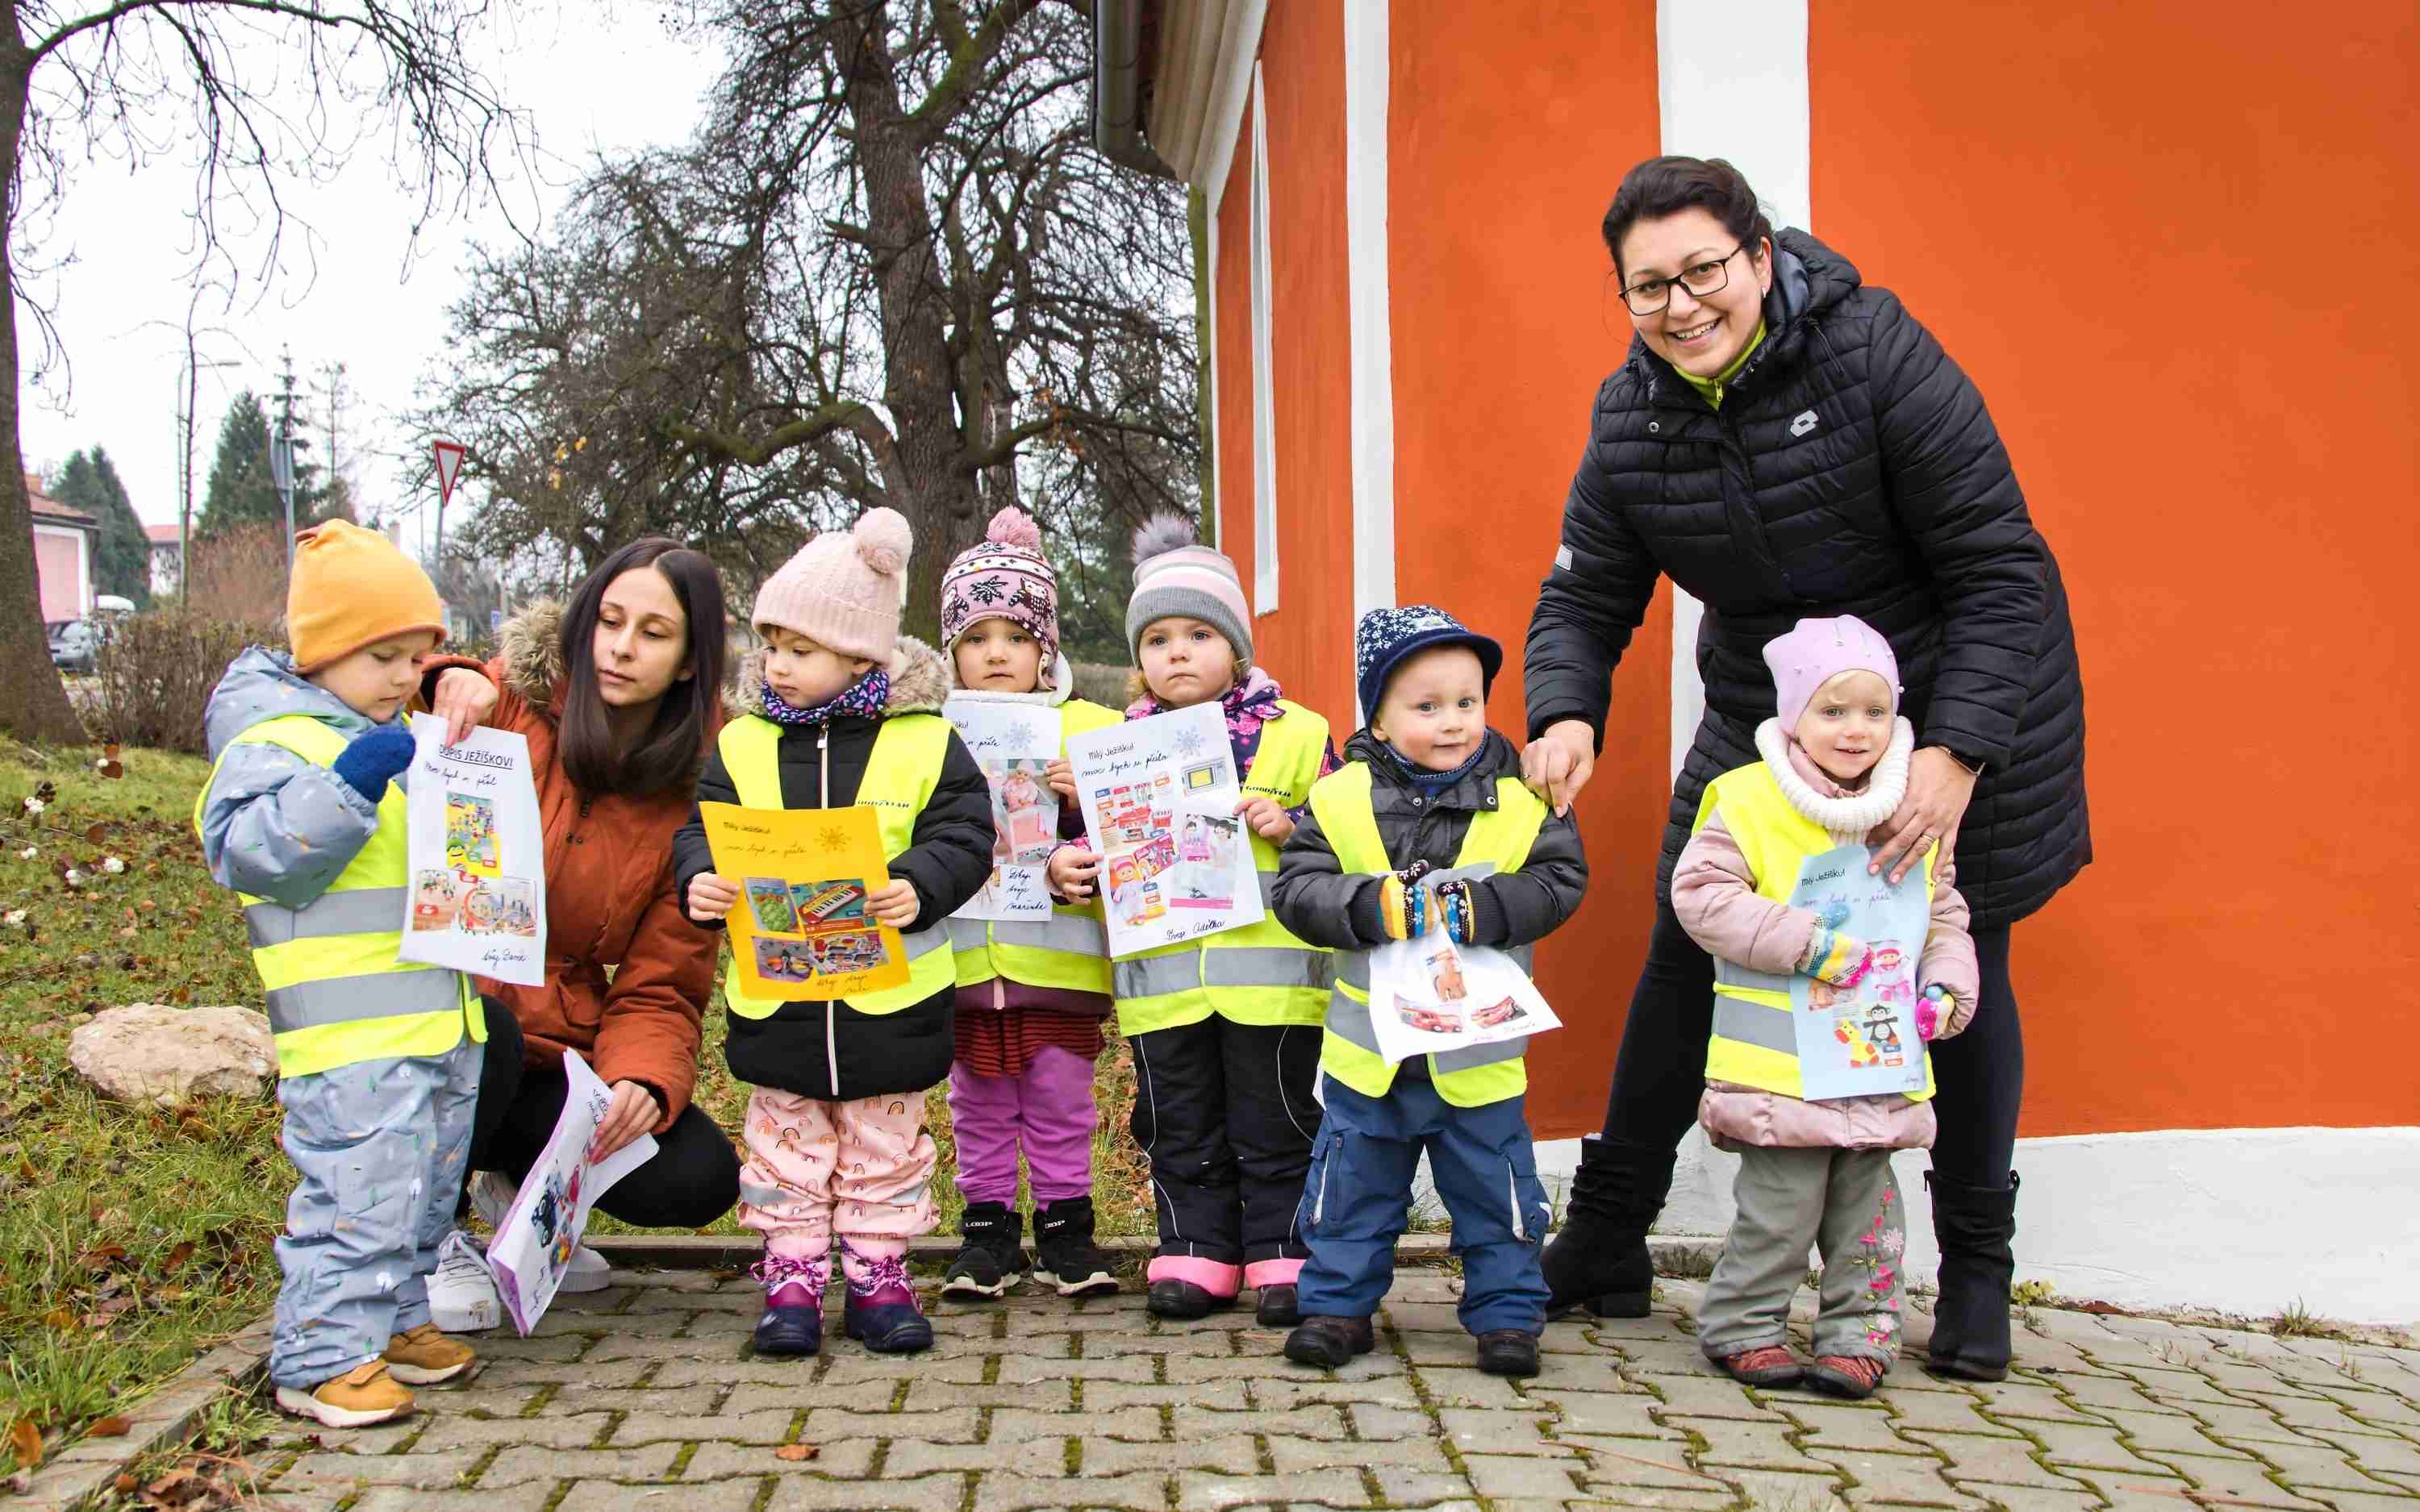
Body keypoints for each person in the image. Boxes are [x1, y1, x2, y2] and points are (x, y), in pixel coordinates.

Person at [1521, 155, 2087, 1381]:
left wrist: (1952, 755)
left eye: (1702, 271)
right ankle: (1611, 1231)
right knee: (1690, 948)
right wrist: (1566, 712)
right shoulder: (1634, 416)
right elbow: (1584, 594)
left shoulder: (1876, 352)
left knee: (1956, 968)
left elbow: (2001, 565)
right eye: (1647, 286)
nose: (1680, 305)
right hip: (1763, 715)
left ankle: (1975, 1270)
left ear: (1761, 258)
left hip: (1944, 697)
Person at [675, 510, 993, 1357]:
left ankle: (880, 1275)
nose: (775, 663)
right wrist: (696, 880)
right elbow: (700, 829)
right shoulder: (741, 743)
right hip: (779, 997)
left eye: (799, 648)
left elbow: (965, 836)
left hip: (892, 1000)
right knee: (785, 1144)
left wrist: (916, 886)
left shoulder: (926, 741)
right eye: (771, 642)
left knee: (885, 1142)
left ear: (860, 656)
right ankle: (792, 1276)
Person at [194, 521, 482, 1427]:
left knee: (421, 1189)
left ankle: (394, 1325)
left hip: (434, 1015)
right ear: (320, 657)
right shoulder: (278, 742)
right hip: (350, 1033)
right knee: (357, 1193)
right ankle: (321, 1357)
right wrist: (353, 784)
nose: (405, 678)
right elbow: (251, 851)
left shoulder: (394, 730)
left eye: (417, 656)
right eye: (383, 657)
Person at [416, 538, 741, 1331]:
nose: (622, 648)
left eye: (654, 633)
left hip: (557, 1043)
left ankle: (514, 1196)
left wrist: (642, 1082)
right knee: (481, 1032)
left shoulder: (700, 790)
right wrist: (438, 685)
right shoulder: (509, 704)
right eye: (610, 621)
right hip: (441, 1019)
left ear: (692, 662)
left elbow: (664, 979)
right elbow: (397, 703)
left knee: (697, 1175)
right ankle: (428, 1236)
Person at [1270, 606, 1588, 1379]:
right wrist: (1363, 907)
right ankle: (1336, 1307)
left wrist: (1487, 909)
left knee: (1496, 1192)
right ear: (1377, 719)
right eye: (1426, 706)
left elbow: (1561, 880)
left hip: (1475, 1055)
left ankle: (1510, 1315)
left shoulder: (1522, 800)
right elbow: (1296, 889)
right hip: (1368, 1057)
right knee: (1351, 1188)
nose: (1453, 722)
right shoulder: (1338, 798)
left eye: (1468, 702)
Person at [1674, 616, 1979, 1397]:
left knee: (1870, 1223)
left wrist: (1947, 990)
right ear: (1793, 717)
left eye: (1874, 712)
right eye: (1833, 711)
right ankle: (1743, 1327)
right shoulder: (1745, 800)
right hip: (1782, 1072)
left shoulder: (1913, 807)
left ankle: (1860, 1340)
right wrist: (1805, 942)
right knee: (1777, 1217)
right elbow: (1702, 898)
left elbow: (1941, 913)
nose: (1855, 730)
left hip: (1877, 1060)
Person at [1047, 515, 1339, 1325]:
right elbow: (1078, 856)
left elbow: (1350, 834)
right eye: (1159, 639)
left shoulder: (1301, 733)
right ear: (1139, 658)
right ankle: (1196, 1249)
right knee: (1177, 1120)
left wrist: (1292, 824)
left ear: (1237, 650)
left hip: (1269, 984)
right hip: (1163, 983)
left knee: (1274, 1118)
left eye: (1200, 634)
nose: (1178, 653)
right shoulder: (1109, 747)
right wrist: (1067, 862)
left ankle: (1283, 1249)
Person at [935, 507, 1124, 1300]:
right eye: (975, 640)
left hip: (1059, 964)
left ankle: (1066, 1230)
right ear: (952, 652)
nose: (997, 654)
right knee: (975, 1102)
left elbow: (1145, 845)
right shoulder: (926, 731)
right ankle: (985, 1232)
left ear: (1045, 647)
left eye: (1014, 636)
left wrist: (1084, 814)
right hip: (964, 964)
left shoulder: (1094, 729)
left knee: (1057, 1097)